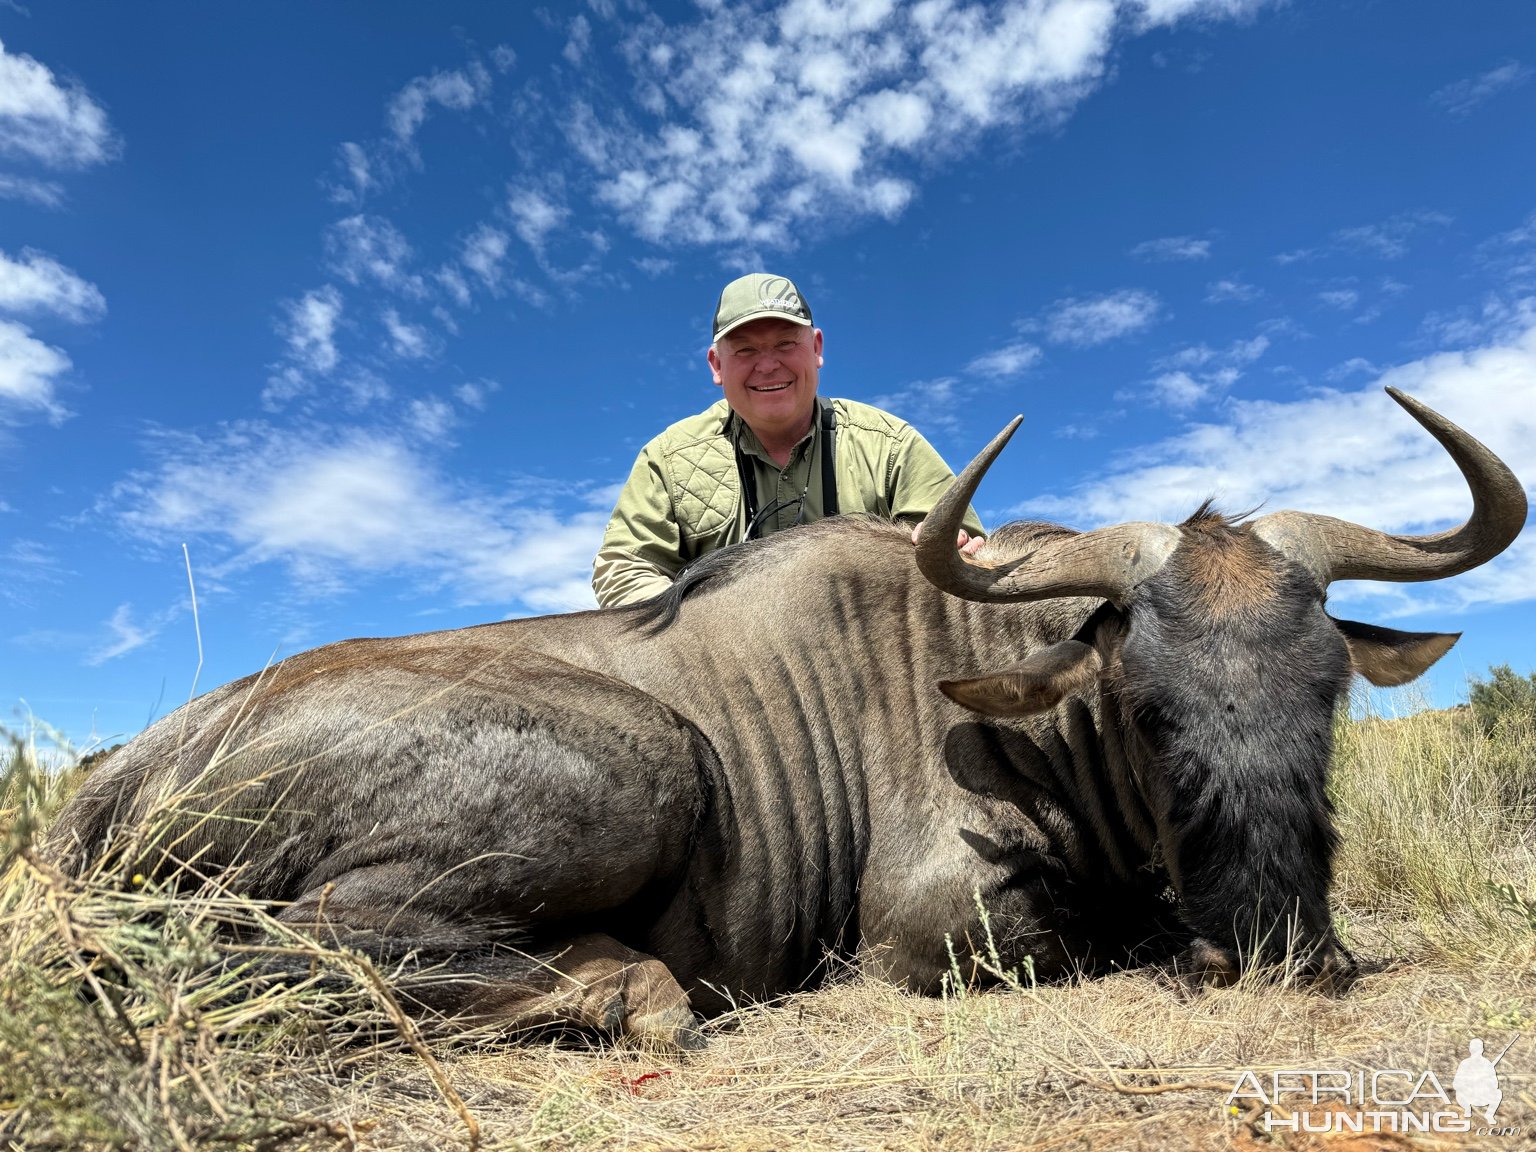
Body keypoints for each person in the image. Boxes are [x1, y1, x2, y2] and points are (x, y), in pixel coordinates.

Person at [592, 272, 986, 608]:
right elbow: (624, 566)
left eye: (785, 344)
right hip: (718, 670)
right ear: (716, 365)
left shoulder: (891, 446)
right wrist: (703, 636)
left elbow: (966, 554)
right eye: (745, 350)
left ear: (816, 349)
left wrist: (955, 552)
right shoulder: (669, 457)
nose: (767, 365)